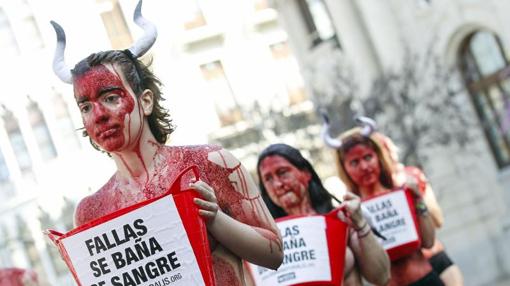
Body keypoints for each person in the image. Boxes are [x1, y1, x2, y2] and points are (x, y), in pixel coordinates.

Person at [49, 1, 283, 285]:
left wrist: (214, 219)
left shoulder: (210, 163)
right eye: (85, 107)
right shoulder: (89, 212)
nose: (98, 115)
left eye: (111, 98)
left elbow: (274, 253)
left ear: (145, 101)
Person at [324, 124, 443, 286]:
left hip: (428, 280)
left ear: (378, 157)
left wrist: (418, 200)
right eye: (354, 162)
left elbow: (429, 241)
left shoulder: (404, 193)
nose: (364, 167)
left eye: (368, 157)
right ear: (344, 169)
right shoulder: (349, 214)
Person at [256, 143, 390, 286]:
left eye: (283, 172)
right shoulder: (267, 239)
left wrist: (361, 225)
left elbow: (381, 277)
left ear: (306, 174)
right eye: (268, 179)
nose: (277, 184)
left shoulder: (341, 219)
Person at [373, 132, 464, 286]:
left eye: (390, 147)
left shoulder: (411, 176)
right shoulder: (371, 194)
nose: (391, 153)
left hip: (434, 256)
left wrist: (418, 195)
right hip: (406, 274)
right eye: (384, 150)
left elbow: (438, 220)